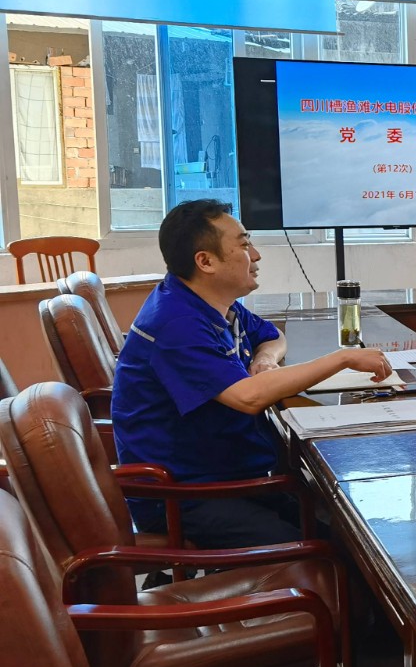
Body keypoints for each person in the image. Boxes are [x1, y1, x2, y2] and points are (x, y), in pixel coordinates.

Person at [112, 199, 392, 548]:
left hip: (224, 476)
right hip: (184, 497)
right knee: (325, 549)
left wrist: (265, 359)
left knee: (342, 533)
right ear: (205, 261)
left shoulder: (210, 302)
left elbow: (273, 336)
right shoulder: (176, 323)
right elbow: (248, 397)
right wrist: (342, 358)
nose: (256, 256)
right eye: (244, 246)